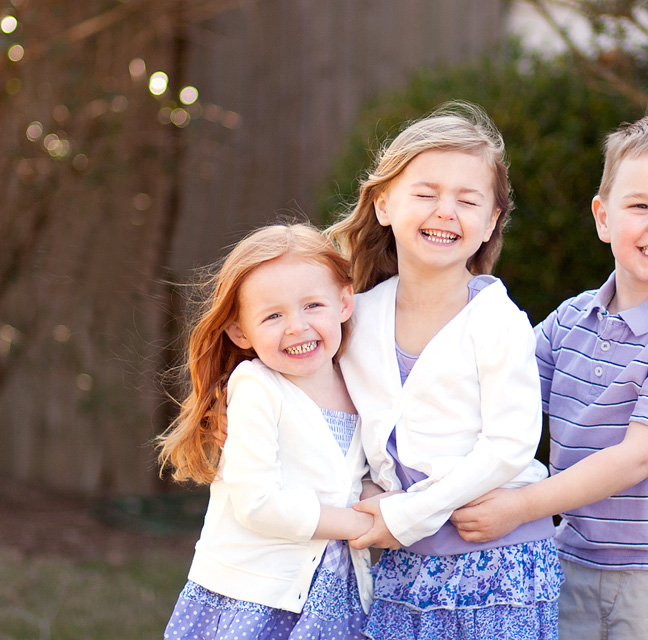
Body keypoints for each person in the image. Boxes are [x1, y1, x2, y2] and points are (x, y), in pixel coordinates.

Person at [451, 113, 648, 640]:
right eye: (640, 205)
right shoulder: (571, 320)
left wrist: (520, 507)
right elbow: (498, 388)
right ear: (603, 218)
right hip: (570, 555)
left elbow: (638, 457)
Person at [328, 102, 562, 640]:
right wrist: (365, 485)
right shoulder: (355, 317)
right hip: (399, 562)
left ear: (491, 222)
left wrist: (409, 513)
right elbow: (332, 409)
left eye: (468, 200)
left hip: (498, 563)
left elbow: (510, 445)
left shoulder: (497, 319)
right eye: (426, 193)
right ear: (384, 204)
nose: (445, 212)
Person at [156, 222, 374, 640]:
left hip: (332, 596)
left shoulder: (359, 383)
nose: (296, 327)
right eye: (273, 315)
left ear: (345, 302)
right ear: (241, 331)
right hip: (254, 596)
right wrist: (357, 525)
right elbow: (257, 504)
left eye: (313, 305)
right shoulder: (256, 387)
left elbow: (350, 480)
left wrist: (378, 502)